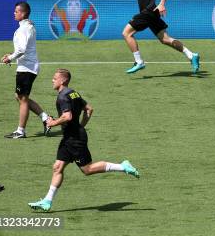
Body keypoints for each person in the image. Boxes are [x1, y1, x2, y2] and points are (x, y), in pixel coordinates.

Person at [28, 69, 139, 212]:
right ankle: (47, 201)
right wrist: (81, 125)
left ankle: (123, 166)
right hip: (70, 137)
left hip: (75, 140)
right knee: (57, 167)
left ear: (63, 81)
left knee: (88, 169)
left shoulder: (62, 97)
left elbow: (67, 117)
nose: (52, 80)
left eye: (55, 78)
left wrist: (53, 123)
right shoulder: (73, 92)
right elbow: (89, 109)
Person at [122, 0, 200, 74]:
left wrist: (162, 3)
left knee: (126, 33)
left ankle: (139, 62)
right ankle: (191, 55)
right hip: (151, 13)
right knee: (165, 39)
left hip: (148, 12)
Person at [1, 2, 51, 139]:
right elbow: (22, 48)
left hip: (27, 68)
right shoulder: (26, 27)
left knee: (22, 99)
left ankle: (20, 131)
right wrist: (11, 55)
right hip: (27, 67)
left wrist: (10, 58)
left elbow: (22, 50)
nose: (14, 13)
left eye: (16, 11)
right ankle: (46, 118)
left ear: (23, 13)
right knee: (19, 96)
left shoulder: (25, 28)